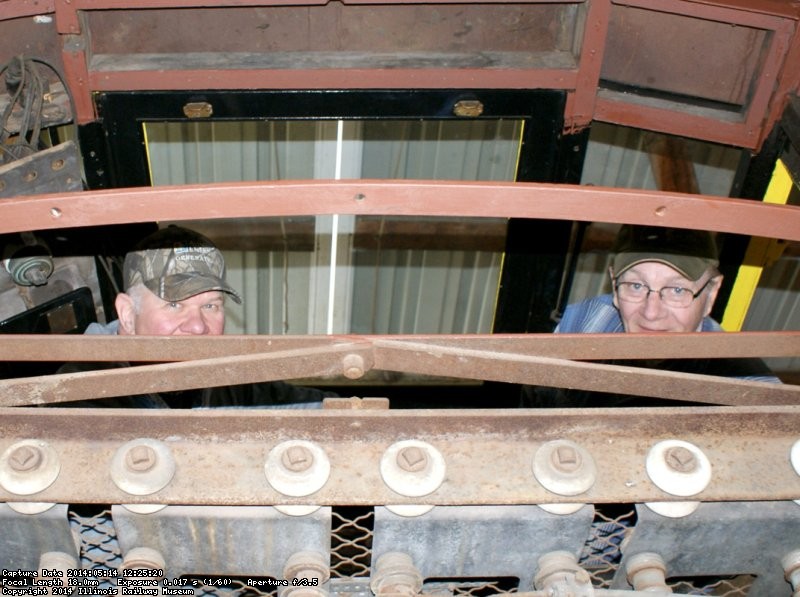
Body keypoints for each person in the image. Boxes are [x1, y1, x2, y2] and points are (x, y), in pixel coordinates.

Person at [61, 225, 336, 408]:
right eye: (174, 305)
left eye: (210, 306)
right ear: (127, 314)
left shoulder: (228, 378)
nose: (197, 326)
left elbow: (321, 410)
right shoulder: (74, 394)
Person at [523, 224, 780, 407]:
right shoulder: (582, 322)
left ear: (711, 294)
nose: (651, 313)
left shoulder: (745, 384)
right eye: (636, 286)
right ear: (614, 284)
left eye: (677, 290)